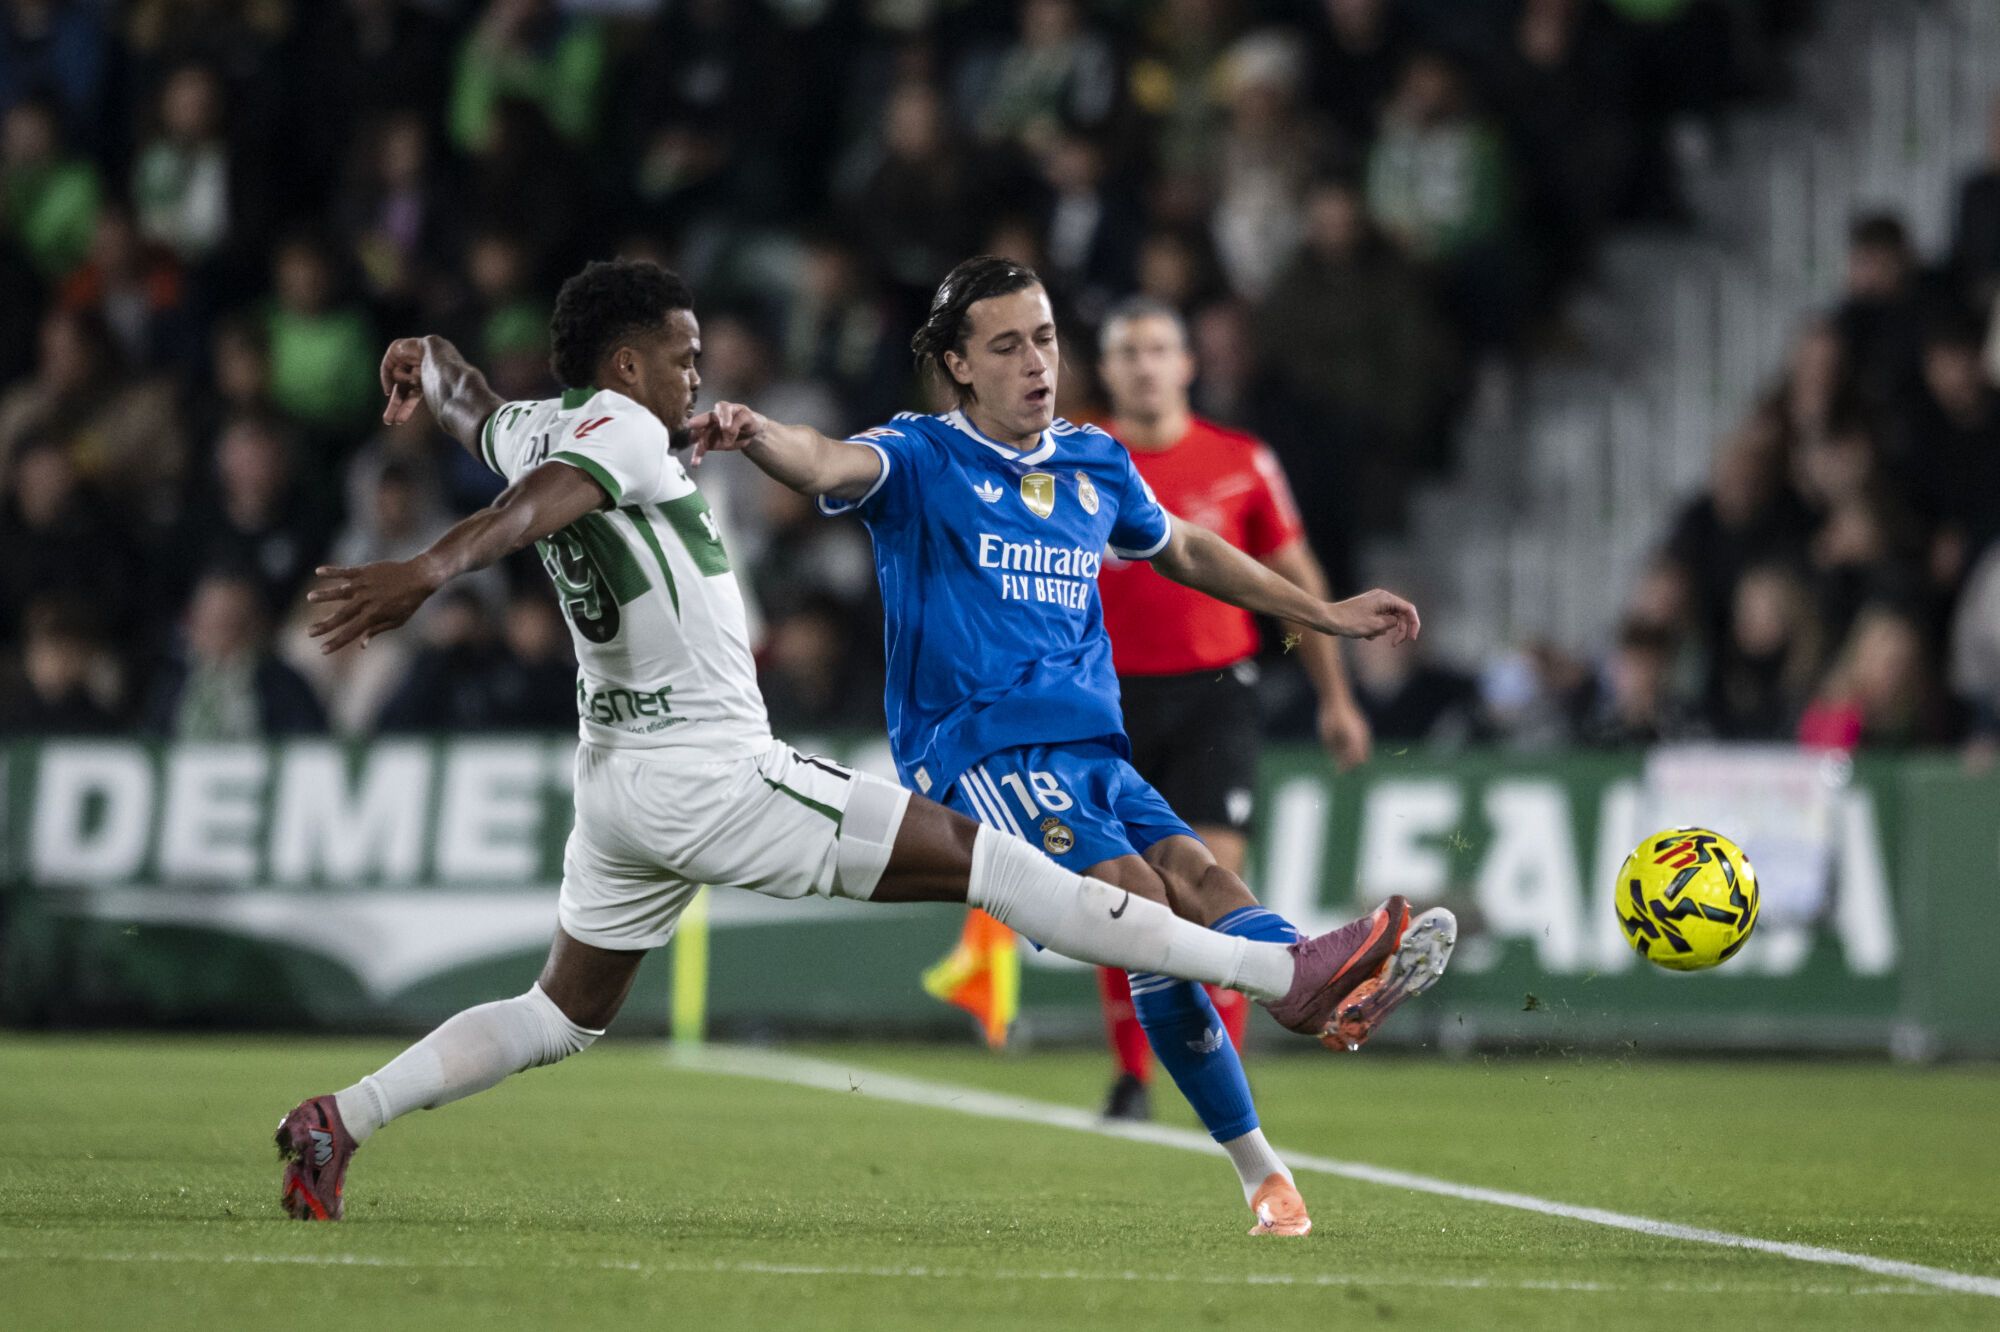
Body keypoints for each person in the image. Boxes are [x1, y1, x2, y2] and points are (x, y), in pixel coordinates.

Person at [274, 257, 1455, 1232]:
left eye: (1047, 339)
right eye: (686, 352)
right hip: (717, 770)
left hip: (619, 781)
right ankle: (1287, 974)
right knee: (993, 866)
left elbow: (486, 417)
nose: (701, 370)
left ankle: (342, 1118)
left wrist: (428, 367)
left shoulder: (539, 421)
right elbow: (550, 502)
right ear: (629, 367)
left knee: (562, 1014)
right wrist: (427, 569)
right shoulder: (627, 433)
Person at [689, 254, 1454, 1236]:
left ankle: (1268, 1163)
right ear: (959, 367)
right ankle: (1301, 982)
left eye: (1043, 338)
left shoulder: (1093, 460)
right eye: (1004, 346)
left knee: (1202, 882)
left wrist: (1318, 613)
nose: (1034, 362)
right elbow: (827, 459)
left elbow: (1185, 549)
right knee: (1139, 903)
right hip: (982, 754)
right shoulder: (922, 455)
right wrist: (756, 435)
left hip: (1094, 748)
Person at [1086, 295, 1373, 1122]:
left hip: (1214, 694)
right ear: (1108, 371)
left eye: (1159, 348)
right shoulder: (1076, 459)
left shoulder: (1241, 461)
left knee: (1212, 881)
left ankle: (1226, 1073)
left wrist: (1336, 698)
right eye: (1127, 351)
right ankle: (1134, 1076)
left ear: (1187, 364)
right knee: (1126, 895)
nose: (1144, 364)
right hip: (1103, 699)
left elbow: (1296, 581)